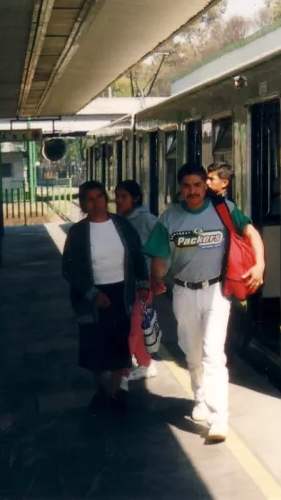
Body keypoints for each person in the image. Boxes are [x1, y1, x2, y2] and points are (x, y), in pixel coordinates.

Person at [143, 162, 266, 441]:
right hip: (184, 292)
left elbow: (252, 233)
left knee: (213, 354)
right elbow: (160, 257)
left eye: (198, 185)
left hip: (217, 291)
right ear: (180, 188)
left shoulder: (223, 209)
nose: (193, 191)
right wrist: (156, 279)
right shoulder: (169, 218)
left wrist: (259, 265)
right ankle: (199, 397)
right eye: (187, 186)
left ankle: (219, 417)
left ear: (205, 186)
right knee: (192, 352)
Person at [62, 181, 150, 415]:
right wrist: (92, 293)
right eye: (89, 199)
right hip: (92, 297)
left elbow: (137, 257)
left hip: (121, 293)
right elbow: (69, 269)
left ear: (105, 199)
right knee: (94, 345)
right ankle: (100, 390)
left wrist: (142, 285)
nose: (96, 202)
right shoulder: (78, 232)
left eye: (100, 197)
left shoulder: (122, 225)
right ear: (82, 203)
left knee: (120, 343)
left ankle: (115, 392)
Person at [115, 180, 160, 382]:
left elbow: (163, 246)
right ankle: (145, 363)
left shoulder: (147, 220)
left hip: (142, 282)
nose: (118, 201)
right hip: (125, 281)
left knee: (132, 326)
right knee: (136, 324)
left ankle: (123, 373)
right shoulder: (118, 219)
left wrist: (158, 274)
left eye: (123, 197)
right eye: (117, 197)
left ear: (135, 198)